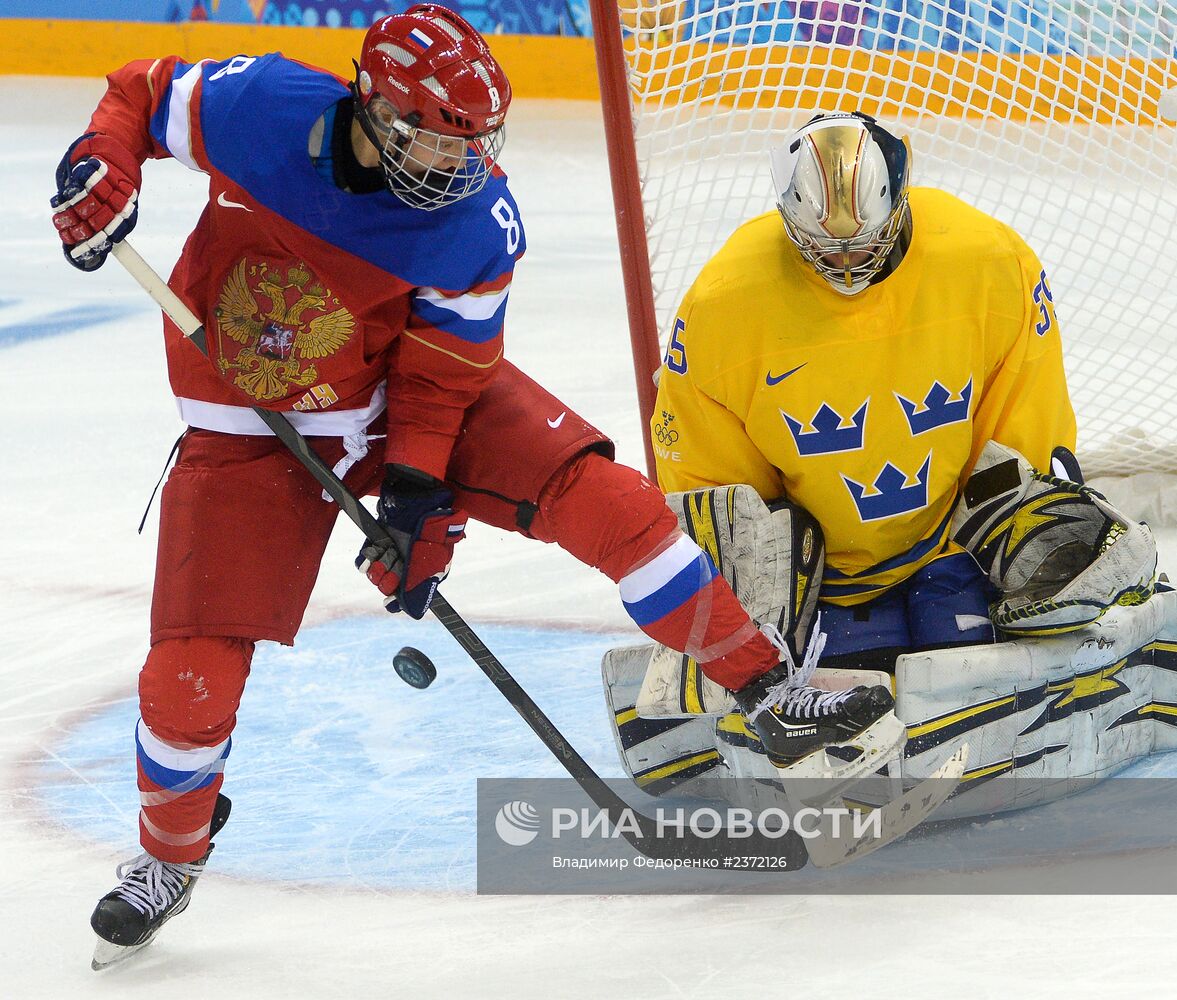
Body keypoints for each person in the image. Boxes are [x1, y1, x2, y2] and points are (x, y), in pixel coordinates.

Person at [51, 7, 895, 967]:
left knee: (610, 503)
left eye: (472, 148)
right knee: (187, 679)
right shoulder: (260, 107)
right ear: (370, 109)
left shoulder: (476, 221)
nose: (458, 170)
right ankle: (169, 858)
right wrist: (101, 167)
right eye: (430, 144)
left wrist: (415, 500)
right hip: (249, 434)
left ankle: (768, 685)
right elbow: (142, 92)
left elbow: (443, 373)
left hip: (403, 397)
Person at [651, 110, 1155, 675]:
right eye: (826, 250)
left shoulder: (984, 257)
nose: (845, 266)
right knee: (849, 664)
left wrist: (1012, 526)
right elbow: (705, 466)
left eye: (864, 246)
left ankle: (956, 579)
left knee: (967, 646)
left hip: (955, 541)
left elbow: (1021, 406)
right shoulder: (724, 301)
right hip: (820, 576)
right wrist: (752, 589)